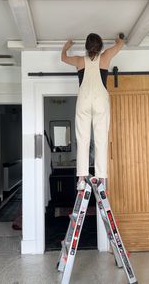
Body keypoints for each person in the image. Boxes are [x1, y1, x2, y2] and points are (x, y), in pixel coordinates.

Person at [61, 33, 124, 190]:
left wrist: (65, 47)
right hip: (100, 102)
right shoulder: (106, 56)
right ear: (101, 46)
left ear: (86, 47)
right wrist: (119, 39)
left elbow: (63, 58)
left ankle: (81, 179)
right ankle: (101, 180)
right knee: (101, 140)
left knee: (83, 139)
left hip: (83, 101)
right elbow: (121, 44)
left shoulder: (79, 60)